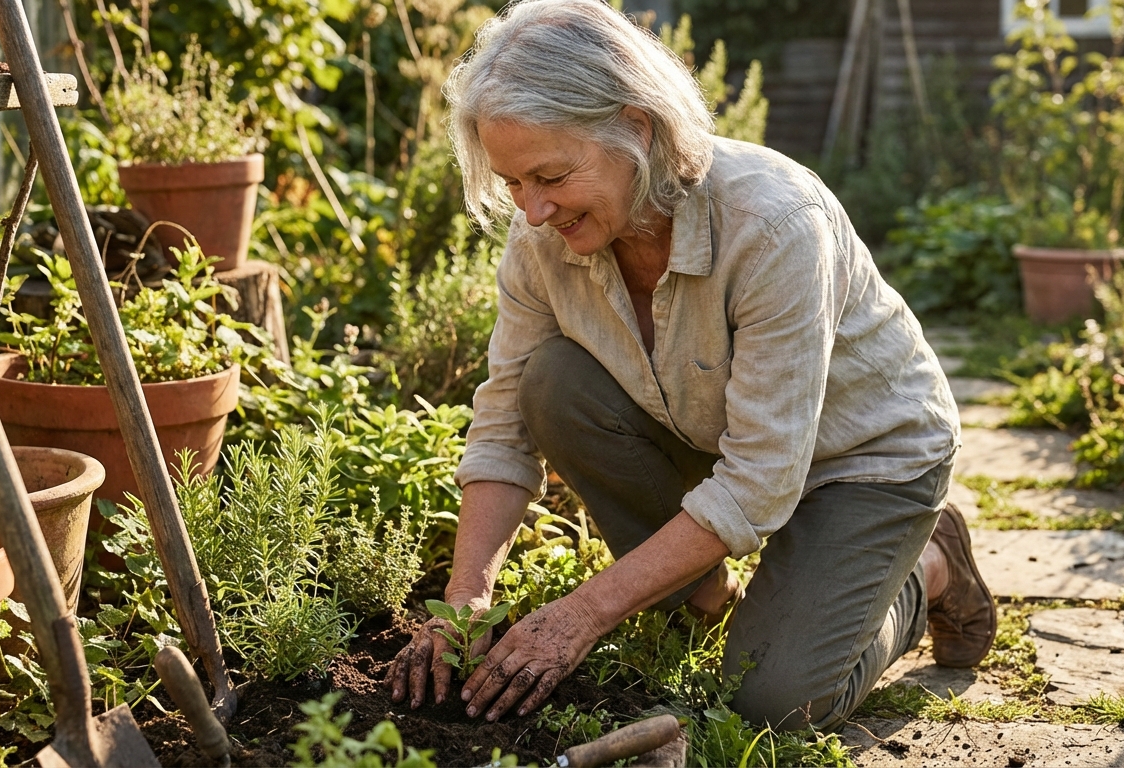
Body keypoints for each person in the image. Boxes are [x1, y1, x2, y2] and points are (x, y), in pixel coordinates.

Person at [387, 0, 995, 731]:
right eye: (513, 183)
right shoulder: (541, 239)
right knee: (550, 382)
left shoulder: (773, 225)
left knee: (772, 705)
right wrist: (466, 598)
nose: (534, 211)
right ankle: (701, 600)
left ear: (636, 129)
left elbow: (762, 476)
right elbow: (506, 418)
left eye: (549, 175)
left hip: (864, 458)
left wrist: (581, 614)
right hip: (717, 437)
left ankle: (927, 568)